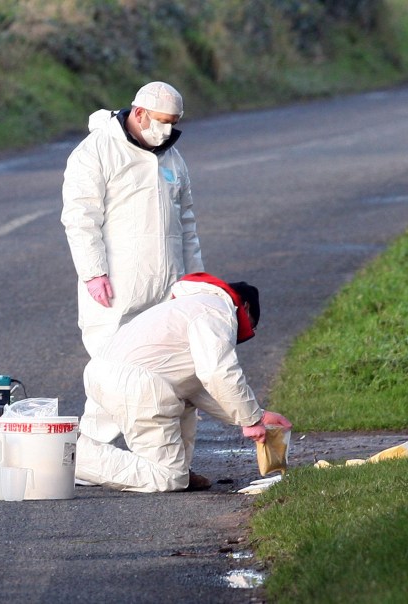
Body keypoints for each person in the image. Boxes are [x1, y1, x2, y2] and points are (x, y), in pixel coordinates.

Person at [61, 81, 205, 443]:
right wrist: (93, 272)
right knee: (113, 371)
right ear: (138, 113)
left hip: (168, 283)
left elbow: (186, 221)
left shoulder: (172, 158)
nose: (167, 130)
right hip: (117, 286)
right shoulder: (96, 151)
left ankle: (166, 457)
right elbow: (80, 216)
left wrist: (195, 278)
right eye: (161, 121)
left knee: (170, 370)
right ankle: (96, 453)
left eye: (173, 122)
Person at [74, 273, 293, 493]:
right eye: (250, 326)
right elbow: (217, 372)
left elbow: (200, 388)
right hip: (136, 384)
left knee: (185, 398)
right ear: (244, 308)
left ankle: (177, 467)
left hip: (103, 371)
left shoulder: (191, 305)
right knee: (167, 477)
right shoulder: (218, 312)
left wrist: (257, 415)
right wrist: (251, 419)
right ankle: (69, 454)